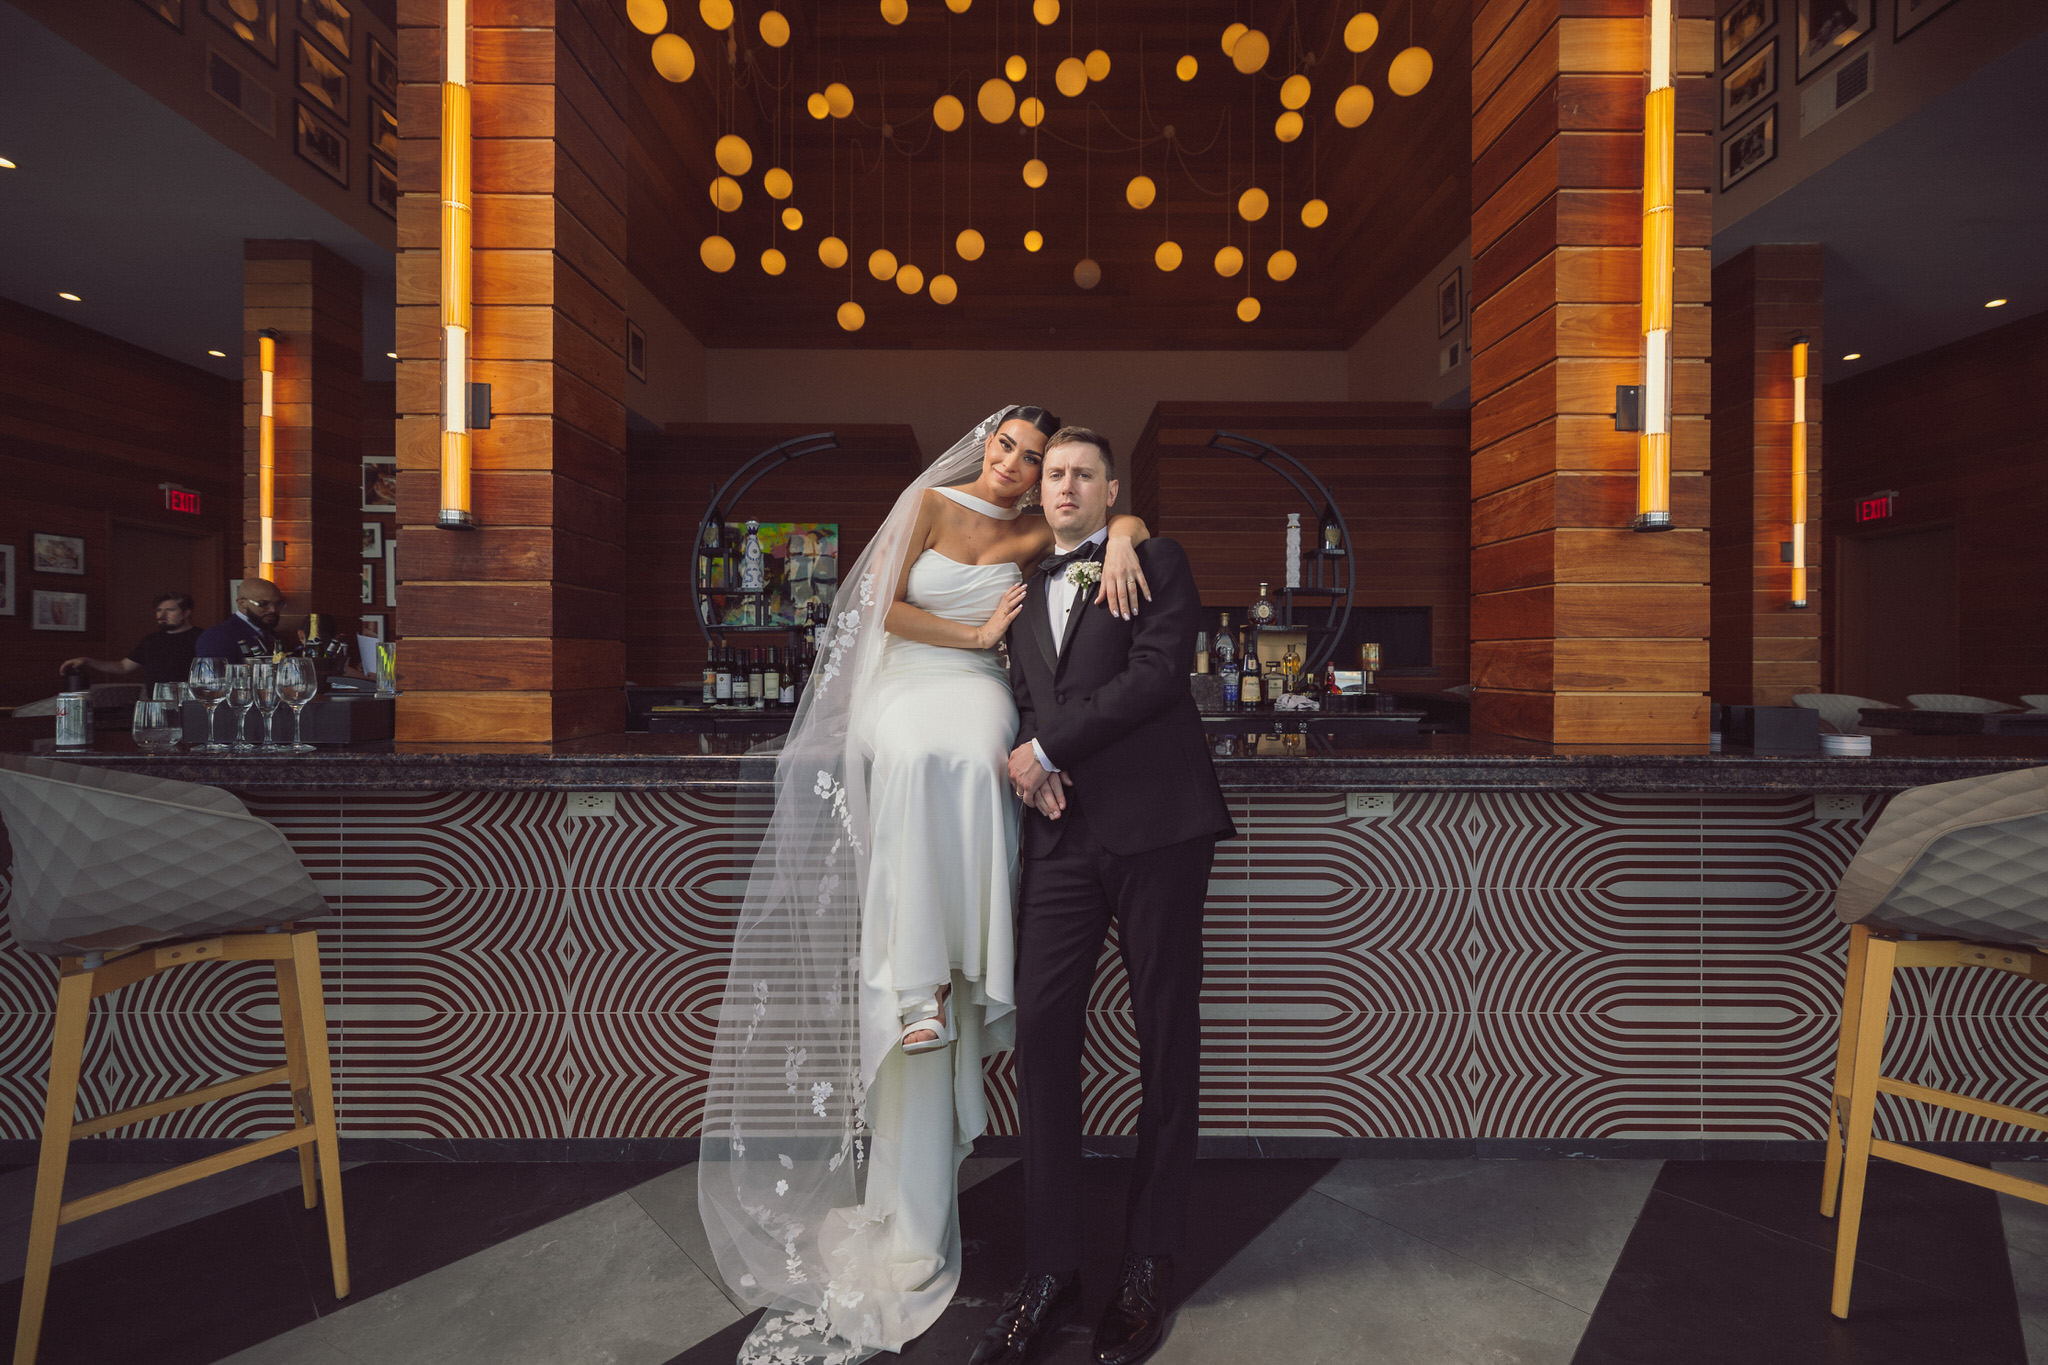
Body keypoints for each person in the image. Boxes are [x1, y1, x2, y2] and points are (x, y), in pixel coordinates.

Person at [698, 407, 1154, 1365]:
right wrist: (975, 624)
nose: (1019, 466)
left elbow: (1118, 520)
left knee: (985, 753)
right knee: (917, 753)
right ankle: (919, 983)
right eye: (1009, 448)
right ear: (984, 443)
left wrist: (1121, 532)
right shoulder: (928, 502)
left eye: (1036, 460)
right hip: (910, 672)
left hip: (979, 687)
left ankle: (965, 957)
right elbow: (878, 611)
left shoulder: (1043, 526)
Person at [972, 428, 1234, 1365]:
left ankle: (1148, 1262)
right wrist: (1035, 768)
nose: (1066, 484)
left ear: (1111, 488)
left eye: (1085, 473)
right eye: (1055, 473)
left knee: (1167, 1035)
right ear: (1039, 491)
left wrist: (1047, 751)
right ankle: (1052, 1267)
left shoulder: (1153, 556)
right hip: (1063, 837)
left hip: (1160, 826)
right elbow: (1036, 701)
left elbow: (1157, 678)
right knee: (1043, 1030)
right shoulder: (1030, 585)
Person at [59, 591, 201, 687]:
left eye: (169, 610)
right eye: (158, 610)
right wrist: (87, 661)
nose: (161, 615)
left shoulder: (203, 638)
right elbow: (123, 667)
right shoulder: (151, 640)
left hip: (192, 706)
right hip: (157, 708)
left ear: (186, 613)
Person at [192, 579, 286, 660]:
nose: (273, 610)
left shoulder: (271, 634)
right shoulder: (217, 636)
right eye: (263, 604)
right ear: (242, 603)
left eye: (278, 604)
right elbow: (215, 678)